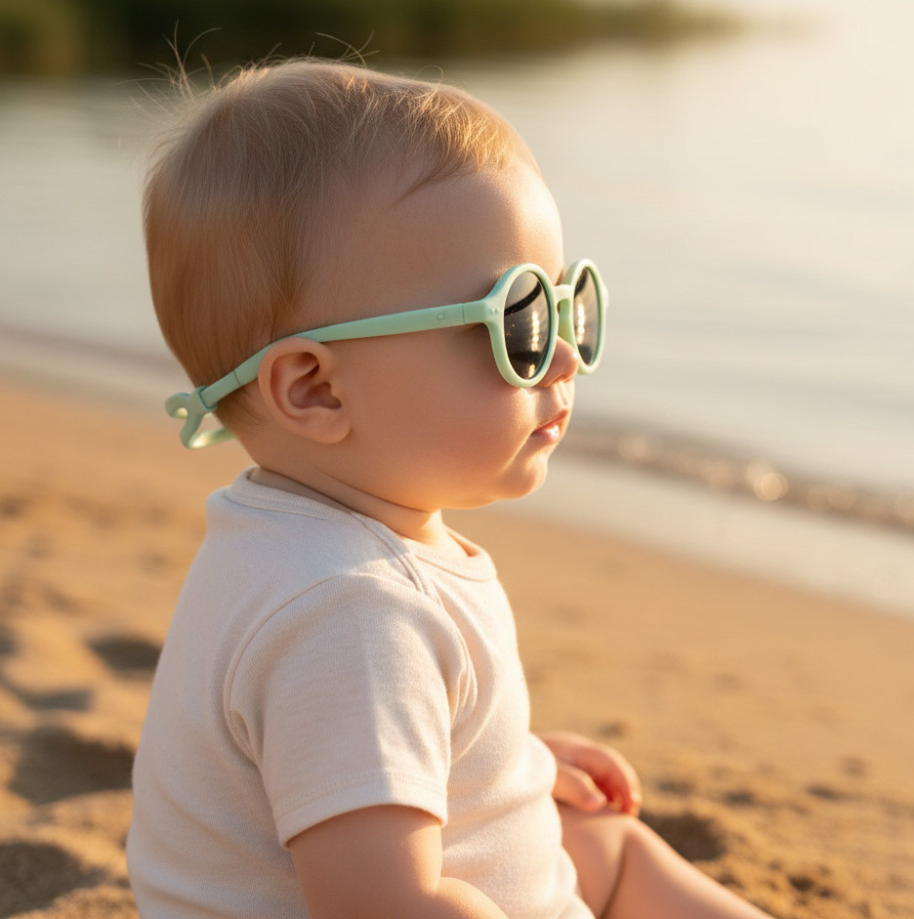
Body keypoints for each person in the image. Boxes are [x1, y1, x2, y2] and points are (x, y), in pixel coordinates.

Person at [127, 58, 771, 919]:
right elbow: (382, 904)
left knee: (603, 843)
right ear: (315, 389)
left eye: (564, 305)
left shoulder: (292, 542)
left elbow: (334, 752)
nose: (569, 358)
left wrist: (503, 764)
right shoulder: (350, 611)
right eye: (519, 325)